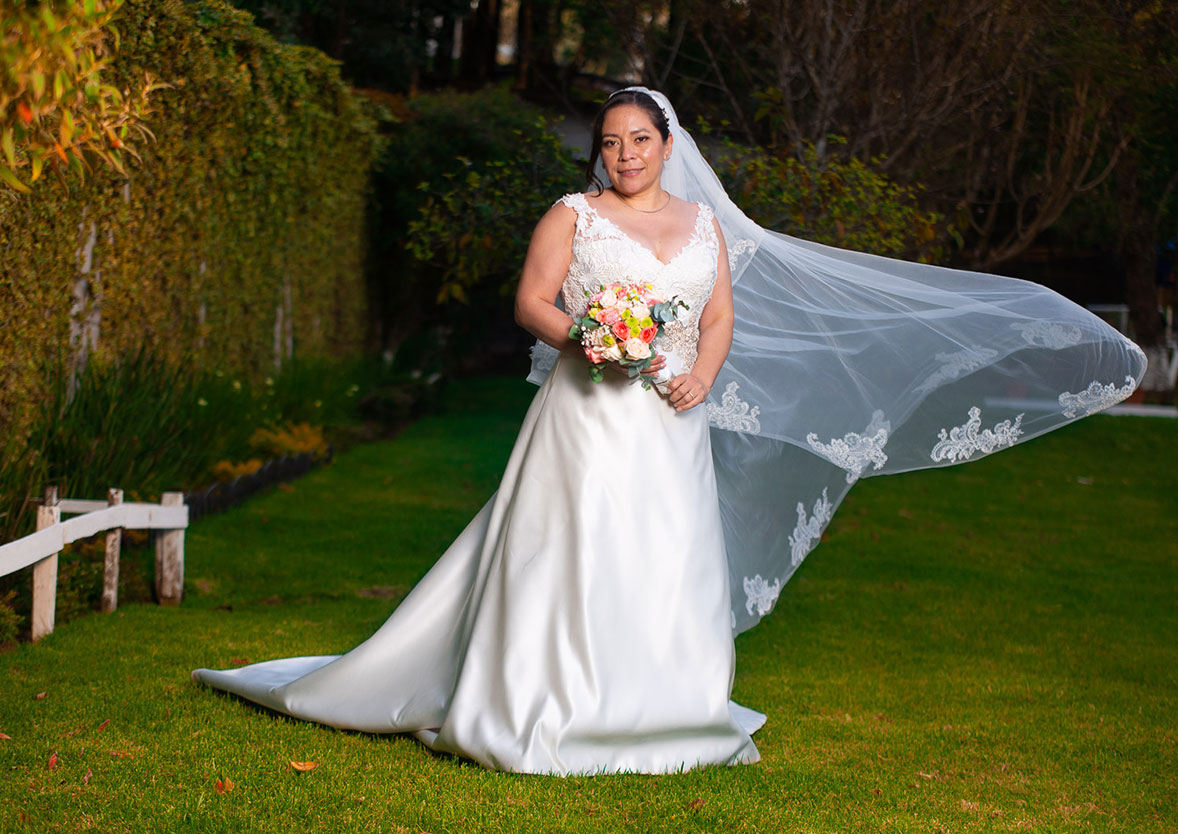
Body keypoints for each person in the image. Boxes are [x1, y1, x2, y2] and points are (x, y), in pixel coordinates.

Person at [193, 88, 1146, 776]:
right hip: (587, 415)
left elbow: (720, 316)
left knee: (669, 555)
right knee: (572, 552)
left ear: (666, 142)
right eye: (610, 143)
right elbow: (530, 302)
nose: (624, 155)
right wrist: (593, 342)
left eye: (638, 139)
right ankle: (538, 705)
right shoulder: (572, 214)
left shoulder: (702, 224)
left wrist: (701, 375)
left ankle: (667, 706)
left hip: (672, 419)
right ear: (600, 153)